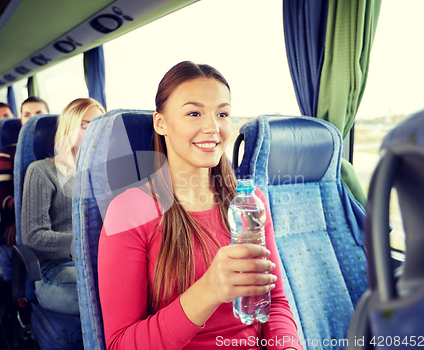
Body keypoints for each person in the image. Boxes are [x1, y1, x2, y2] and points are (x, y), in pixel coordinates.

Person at [98, 61, 302, 349]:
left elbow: (276, 304)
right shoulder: (130, 211)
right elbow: (120, 344)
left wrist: (288, 346)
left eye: (222, 114)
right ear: (161, 123)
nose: (212, 127)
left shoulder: (249, 202)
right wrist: (207, 291)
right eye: (194, 113)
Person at [21, 98, 105, 316]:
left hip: (105, 263)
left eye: (98, 126)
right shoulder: (41, 171)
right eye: (85, 126)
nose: (94, 133)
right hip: (58, 268)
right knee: (110, 297)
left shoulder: (108, 173)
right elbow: (34, 236)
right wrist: (86, 243)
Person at [0, 96, 49, 246]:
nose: (33, 119)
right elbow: (1, 198)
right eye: (27, 115)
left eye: (38, 113)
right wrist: (33, 209)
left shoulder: (61, 150)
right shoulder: (8, 152)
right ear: (21, 121)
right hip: (18, 222)